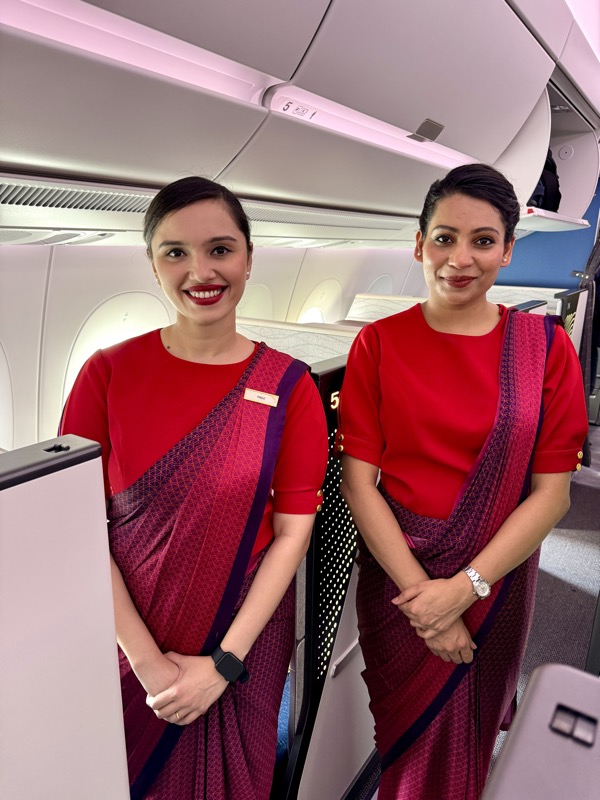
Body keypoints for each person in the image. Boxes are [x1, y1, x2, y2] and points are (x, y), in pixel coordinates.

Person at [59, 176, 328, 799]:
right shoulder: (106, 373)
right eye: (174, 252)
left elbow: (292, 534)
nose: (200, 270)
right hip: (129, 642)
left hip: (244, 646)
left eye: (220, 249)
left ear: (249, 257)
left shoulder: (291, 388)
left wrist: (224, 665)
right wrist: (147, 663)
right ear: (152, 264)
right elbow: (77, 530)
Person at [337, 163, 588, 799]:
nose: (460, 259)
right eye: (444, 237)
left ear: (507, 249)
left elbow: (552, 493)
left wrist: (466, 590)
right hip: (402, 586)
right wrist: (429, 600)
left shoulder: (545, 348)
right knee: (406, 743)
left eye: (483, 241)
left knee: (468, 741)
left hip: (496, 582)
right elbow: (359, 483)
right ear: (418, 244)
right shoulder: (377, 345)